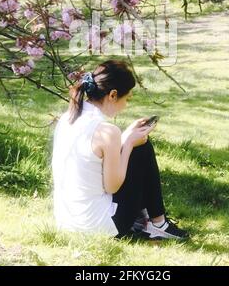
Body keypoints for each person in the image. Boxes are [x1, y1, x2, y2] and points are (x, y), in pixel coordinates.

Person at [52, 59, 188, 240]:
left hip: (67, 221)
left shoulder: (68, 118)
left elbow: (95, 157)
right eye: (127, 98)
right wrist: (129, 143)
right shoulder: (108, 131)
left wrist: (124, 139)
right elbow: (112, 186)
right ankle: (158, 223)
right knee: (142, 147)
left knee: (133, 144)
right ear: (113, 95)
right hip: (98, 226)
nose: (126, 105)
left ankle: (151, 221)